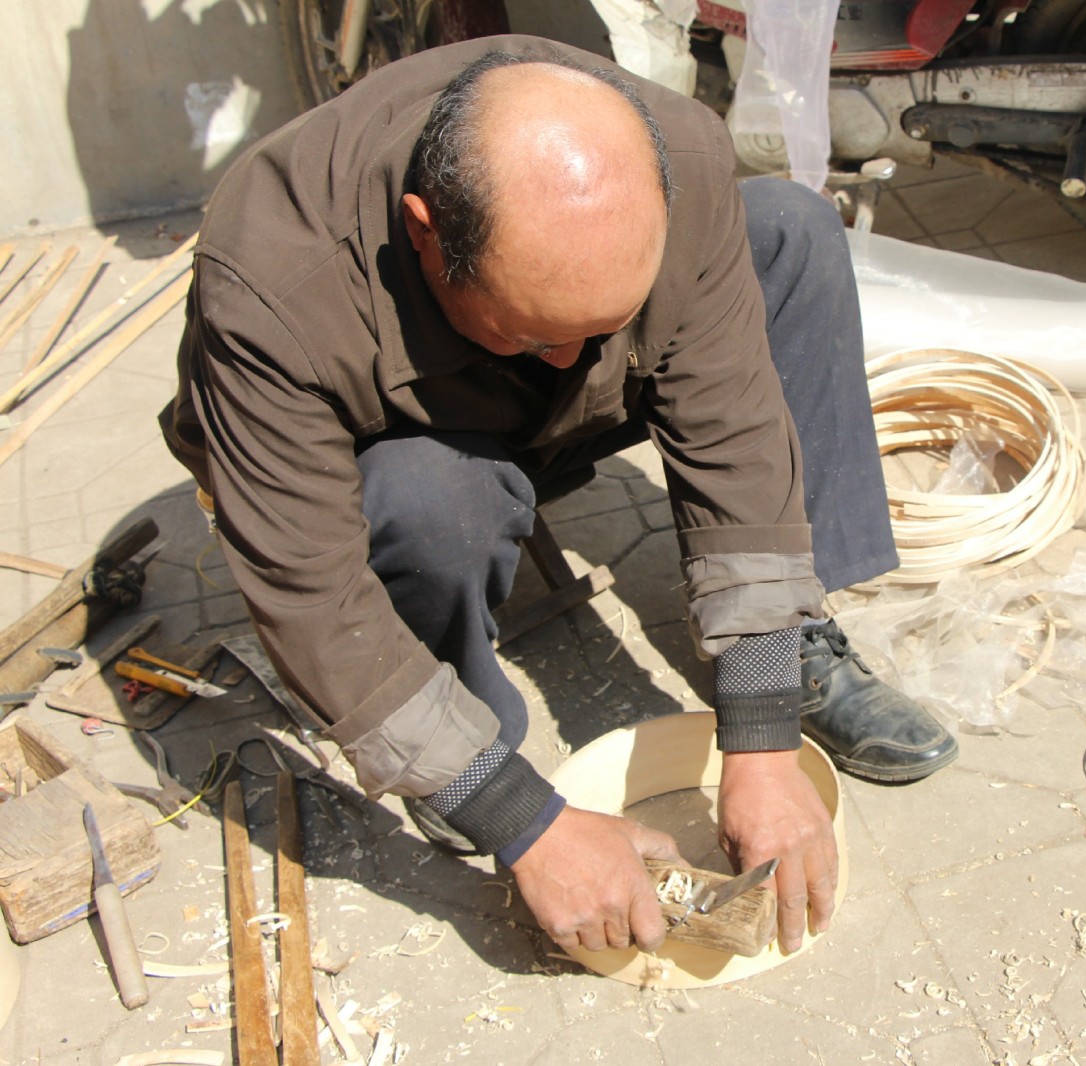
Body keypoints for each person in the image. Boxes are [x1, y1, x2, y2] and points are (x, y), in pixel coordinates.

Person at [159, 35, 956, 959]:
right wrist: (517, 819)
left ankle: (791, 643)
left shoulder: (680, 155)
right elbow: (311, 596)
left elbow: (730, 430)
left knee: (790, 229)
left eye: (603, 327)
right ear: (424, 232)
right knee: (429, 499)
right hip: (412, 445)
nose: (573, 359)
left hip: (560, 414)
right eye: (535, 333)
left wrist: (763, 724)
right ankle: (463, 739)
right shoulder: (272, 279)